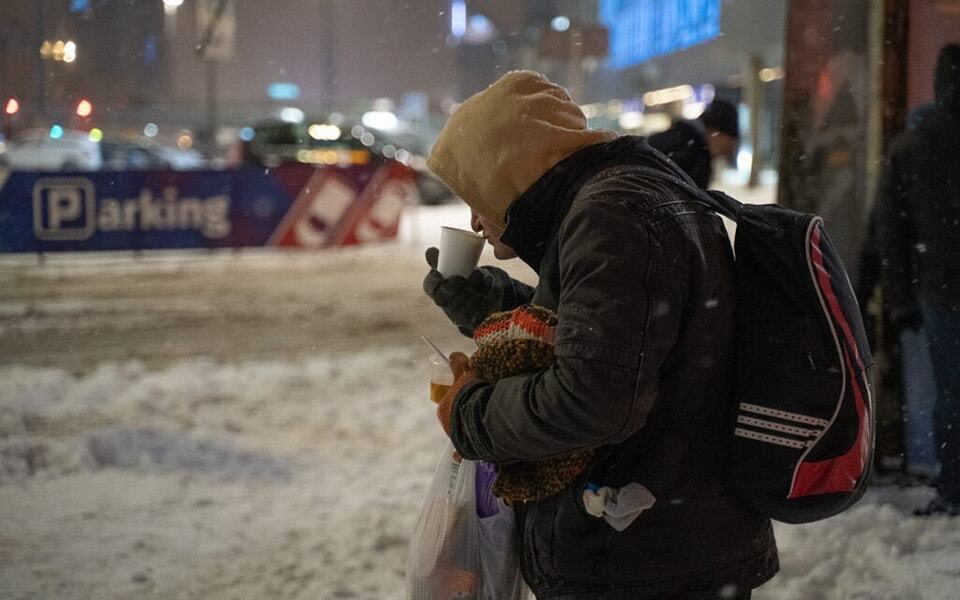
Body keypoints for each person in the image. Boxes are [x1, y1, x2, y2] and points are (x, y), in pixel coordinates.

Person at [421, 71, 777, 599]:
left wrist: (470, 413)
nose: (475, 221)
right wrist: (495, 306)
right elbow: (621, 341)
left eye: (479, 194)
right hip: (667, 541)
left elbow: (593, 399)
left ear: (511, 174)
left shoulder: (611, 215)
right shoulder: (631, 193)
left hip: (640, 560)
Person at [876, 44, 960, 516]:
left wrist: (900, 298)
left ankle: (953, 490)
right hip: (940, 284)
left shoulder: (913, 145)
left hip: (941, 290)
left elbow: (891, 228)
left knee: (949, 395)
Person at [647, 98, 740, 189]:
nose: (726, 153)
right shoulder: (696, 155)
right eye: (728, 146)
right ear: (715, 133)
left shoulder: (673, 139)